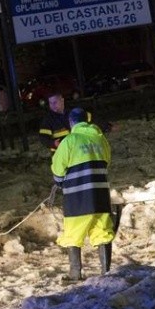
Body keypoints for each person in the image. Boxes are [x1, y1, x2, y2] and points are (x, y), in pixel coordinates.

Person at [51, 107, 115, 281]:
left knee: (73, 232)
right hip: (100, 192)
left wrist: (59, 181)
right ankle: (106, 271)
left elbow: (58, 167)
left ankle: (75, 273)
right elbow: (107, 160)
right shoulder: (100, 139)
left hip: (77, 196)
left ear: (71, 123)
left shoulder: (69, 141)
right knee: (102, 230)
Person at [38, 91, 113, 154]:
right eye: (50, 103)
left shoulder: (74, 112)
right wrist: (53, 143)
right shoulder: (48, 120)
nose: (52, 105)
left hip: (79, 150)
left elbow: (93, 119)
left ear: (62, 100)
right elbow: (43, 137)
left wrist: (108, 127)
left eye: (55, 102)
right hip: (61, 153)